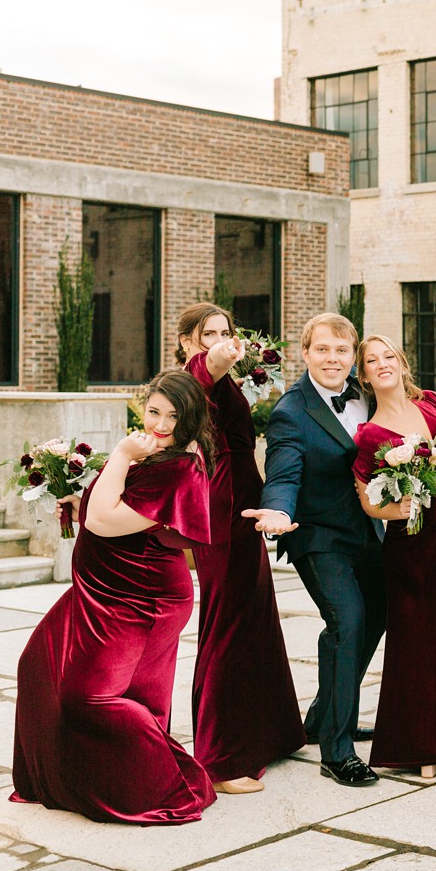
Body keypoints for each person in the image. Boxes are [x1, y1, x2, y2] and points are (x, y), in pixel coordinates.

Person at [11, 369, 216, 825]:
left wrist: (121, 454)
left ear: (190, 420)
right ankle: (69, 784)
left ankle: (170, 783)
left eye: (173, 417)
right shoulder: (151, 453)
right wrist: (77, 496)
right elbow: (106, 502)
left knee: (89, 697)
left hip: (139, 599)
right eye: (154, 412)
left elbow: (104, 520)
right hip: (98, 589)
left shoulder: (182, 466)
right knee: (38, 664)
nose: (160, 425)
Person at [242, 312, 385, 788]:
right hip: (319, 536)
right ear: (305, 354)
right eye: (323, 349)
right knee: (347, 622)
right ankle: (337, 751)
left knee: (375, 618)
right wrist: (277, 513)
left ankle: (324, 715)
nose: (333, 359)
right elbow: (283, 473)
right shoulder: (291, 410)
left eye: (342, 350)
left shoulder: (367, 397)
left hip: (370, 534)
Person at [176, 302, 304, 793]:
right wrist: (216, 359)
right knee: (228, 621)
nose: (220, 340)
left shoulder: (223, 375)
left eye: (226, 332)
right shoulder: (193, 374)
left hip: (245, 501)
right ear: (188, 341)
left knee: (255, 614)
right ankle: (222, 757)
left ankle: (271, 732)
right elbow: (201, 377)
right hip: (222, 505)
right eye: (208, 334)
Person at [350, 335, 436, 778]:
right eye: (372, 361)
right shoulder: (369, 433)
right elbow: (368, 501)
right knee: (419, 643)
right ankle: (428, 746)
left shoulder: (432, 402)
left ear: (402, 361)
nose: (382, 364)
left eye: (388, 356)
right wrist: (398, 508)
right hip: (415, 545)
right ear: (364, 375)